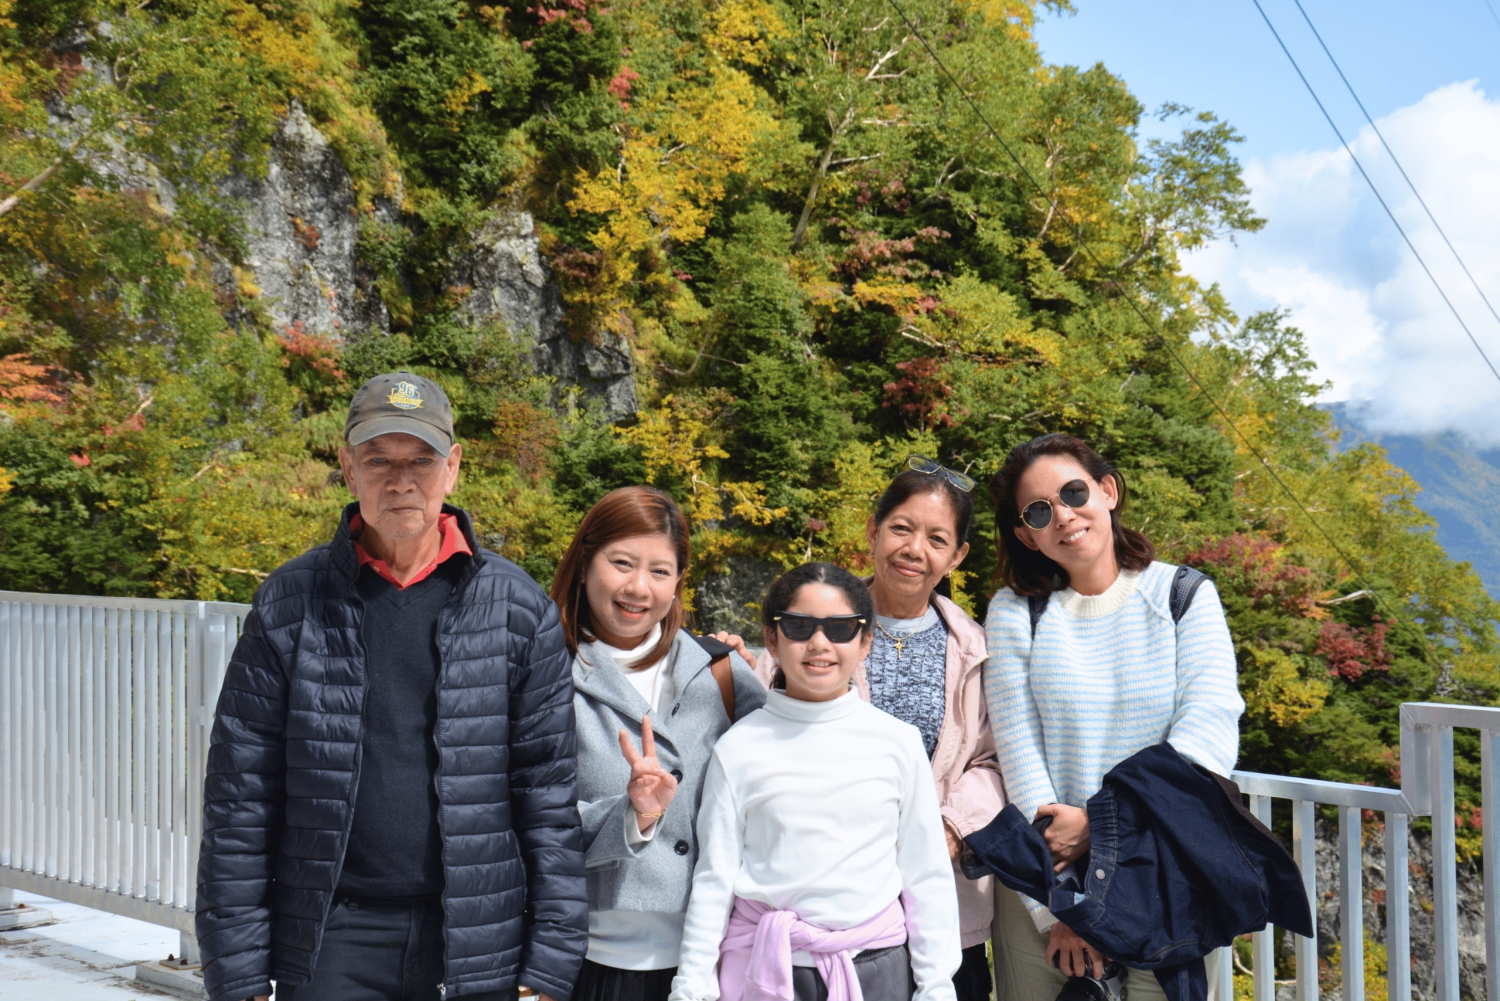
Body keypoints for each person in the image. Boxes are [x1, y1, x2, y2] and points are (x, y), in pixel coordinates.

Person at [195, 372, 588, 1001]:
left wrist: (548, 964)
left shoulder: (517, 608)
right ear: (349, 469)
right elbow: (241, 797)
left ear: (452, 468)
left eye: (422, 460)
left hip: (475, 935)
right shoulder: (290, 602)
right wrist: (237, 971)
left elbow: (546, 796)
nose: (400, 480)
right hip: (331, 936)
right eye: (378, 459)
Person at [732, 457, 1005, 1001]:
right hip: (822, 910)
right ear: (872, 531)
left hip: (941, 904)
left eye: (936, 538)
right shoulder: (810, 623)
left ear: (957, 555)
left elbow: (992, 760)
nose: (914, 550)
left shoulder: (976, 647)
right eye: (901, 528)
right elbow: (760, 739)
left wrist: (947, 829)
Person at [982, 434, 1242, 1001]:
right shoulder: (1016, 613)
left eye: (1074, 492)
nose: (1064, 516)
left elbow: (1208, 737)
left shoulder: (1183, 595)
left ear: (1108, 491)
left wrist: (1101, 825)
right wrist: (1067, 909)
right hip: (1047, 886)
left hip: (1170, 875)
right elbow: (1020, 757)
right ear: (1026, 533)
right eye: (1039, 510)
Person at [671, 562, 962, 1001]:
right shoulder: (738, 748)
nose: (819, 643)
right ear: (773, 637)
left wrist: (937, 987)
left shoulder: (898, 743)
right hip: (761, 968)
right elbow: (715, 878)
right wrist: (692, 987)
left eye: (842, 628)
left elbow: (926, 876)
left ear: (865, 642)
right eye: (799, 626)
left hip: (875, 970)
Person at [549, 486, 767, 1001]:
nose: (638, 588)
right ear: (584, 564)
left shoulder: (721, 672)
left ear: (679, 583)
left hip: (715, 960)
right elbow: (523, 823)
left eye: (660, 571)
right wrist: (632, 816)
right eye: (621, 563)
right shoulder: (544, 675)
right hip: (586, 961)